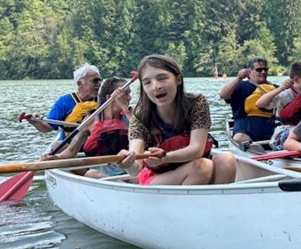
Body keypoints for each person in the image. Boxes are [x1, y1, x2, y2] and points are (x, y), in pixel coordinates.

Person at [116, 54, 237, 185]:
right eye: (147, 82)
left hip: (195, 166)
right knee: (203, 167)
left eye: (162, 78)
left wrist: (165, 157)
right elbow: (135, 168)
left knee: (227, 159)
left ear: (178, 79)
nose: (155, 86)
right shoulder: (140, 118)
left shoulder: (197, 103)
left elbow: (197, 150)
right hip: (159, 177)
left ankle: (213, 203)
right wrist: (127, 163)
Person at [39, 76, 133, 179]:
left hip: (129, 169)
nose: (129, 97)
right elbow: (71, 152)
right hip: (102, 172)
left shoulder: (130, 116)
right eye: (125, 94)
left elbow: (142, 136)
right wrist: (55, 158)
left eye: (129, 93)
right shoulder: (92, 119)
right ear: (108, 97)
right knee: (91, 174)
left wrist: (125, 108)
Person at [19, 63, 102, 151]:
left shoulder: (104, 101)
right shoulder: (65, 101)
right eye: (95, 81)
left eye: (100, 80)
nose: (99, 84)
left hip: (95, 144)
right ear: (79, 83)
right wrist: (35, 122)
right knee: (56, 145)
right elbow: (47, 128)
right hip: (71, 146)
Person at [256, 60, 301, 150]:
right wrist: (281, 88)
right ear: (296, 79)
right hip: (284, 134)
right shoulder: (285, 95)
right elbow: (259, 103)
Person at [218, 56, 278, 144]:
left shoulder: (275, 88)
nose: (263, 72)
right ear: (249, 72)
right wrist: (239, 78)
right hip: (246, 128)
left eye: (266, 69)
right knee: (239, 138)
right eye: (259, 70)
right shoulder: (240, 86)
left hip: (270, 127)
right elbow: (223, 95)